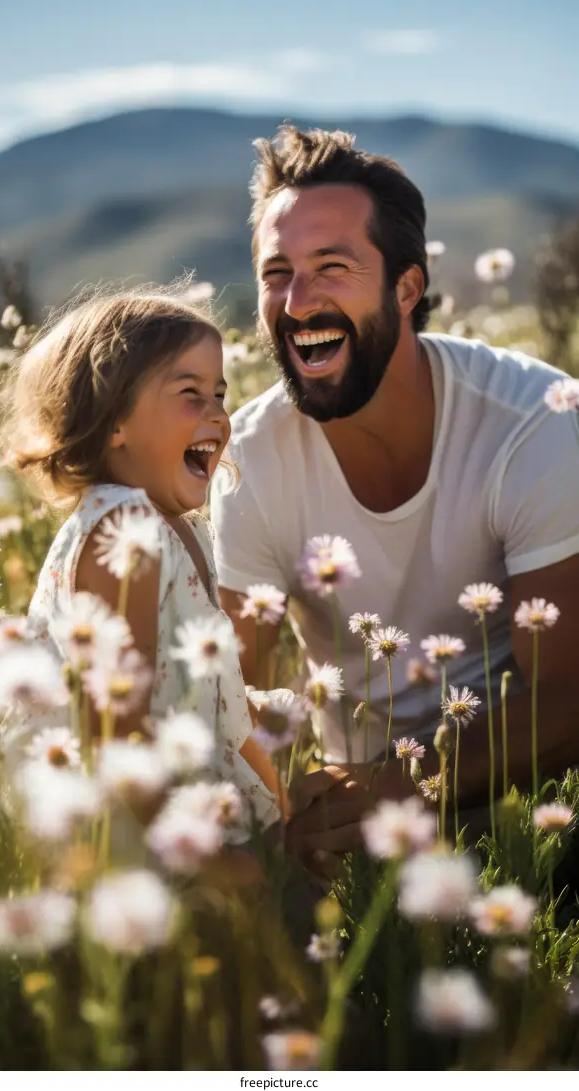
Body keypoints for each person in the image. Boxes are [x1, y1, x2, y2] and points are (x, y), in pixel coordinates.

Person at [210, 124, 579, 861]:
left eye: (331, 266)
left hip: (533, 812)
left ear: (407, 288)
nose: (296, 301)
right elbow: (231, 698)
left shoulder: (537, 422)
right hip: (343, 830)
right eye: (276, 272)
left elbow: (568, 695)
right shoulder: (249, 460)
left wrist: (403, 786)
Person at [0, 288, 281, 834]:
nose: (218, 416)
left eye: (219, 395)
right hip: (117, 826)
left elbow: (214, 703)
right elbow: (116, 726)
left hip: (185, 799)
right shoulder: (121, 531)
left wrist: (280, 809)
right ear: (114, 419)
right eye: (190, 394)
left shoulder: (183, 529)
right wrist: (208, 862)